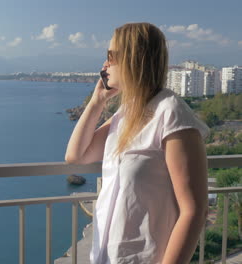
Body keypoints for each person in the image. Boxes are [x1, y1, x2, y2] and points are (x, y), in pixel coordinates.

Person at [65, 22, 210, 264]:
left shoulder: (170, 114)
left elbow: (194, 211)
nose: (105, 64)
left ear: (134, 59)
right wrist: (96, 101)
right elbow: (76, 156)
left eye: (111, 56)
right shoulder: (128, 113)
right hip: (105, 257)